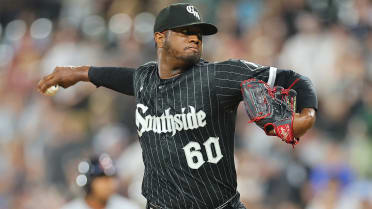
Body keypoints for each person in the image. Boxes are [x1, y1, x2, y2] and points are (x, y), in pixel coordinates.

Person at [38, 3, 317, 209]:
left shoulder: (220, 75)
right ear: (160, 37)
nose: (195, 37)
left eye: (198, 33)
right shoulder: (145, 78)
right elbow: (120, 77)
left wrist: (308, 111)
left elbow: (293, 78)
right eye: (185, 32)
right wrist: (78, 73)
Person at [61, 153, 141, 209]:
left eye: (112, 178)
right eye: (104, 179)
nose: (111, 184)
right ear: (90, 181)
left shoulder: (127, 207)